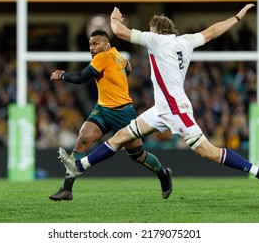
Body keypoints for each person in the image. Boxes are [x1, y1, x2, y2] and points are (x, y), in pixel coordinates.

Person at [58, 4, 259, 195]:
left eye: (151, 29)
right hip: (161, 108)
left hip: (175, 109)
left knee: (208, 152)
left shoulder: (156, 40)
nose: (149, 32)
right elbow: (213, 31)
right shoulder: (186, 41)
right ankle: (79, 166)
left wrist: (114, 18)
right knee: (121, 136)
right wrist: (237, 17)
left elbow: (119, 31)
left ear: (157, 30)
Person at [49, 29, 172, 201]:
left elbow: (81, 77)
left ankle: (163, 174)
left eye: (96, 44)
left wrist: (62, 75)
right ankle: (67, 188)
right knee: (83, 139)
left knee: (137, 155)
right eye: (90, 44)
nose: (92, 48)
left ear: (106, 44)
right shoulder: (118, 56)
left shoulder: (104, 56)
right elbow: (128, 67)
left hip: (122, 112)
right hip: (102, 109)